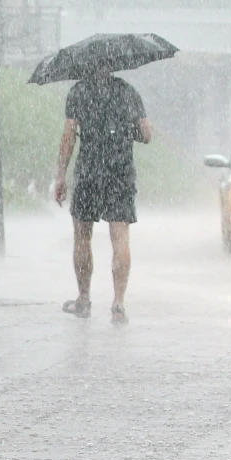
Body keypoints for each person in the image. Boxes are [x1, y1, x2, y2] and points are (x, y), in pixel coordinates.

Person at [53, 69, 152, 325]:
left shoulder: (78, 92)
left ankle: (83, 300)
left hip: (89, 171)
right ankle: (118, 304)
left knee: (82, 237)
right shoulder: (128, 92)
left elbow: (68, 136)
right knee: (120, 239)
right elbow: (147, 135)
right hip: (120, 172)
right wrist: (128, 131)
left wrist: (61, 174)